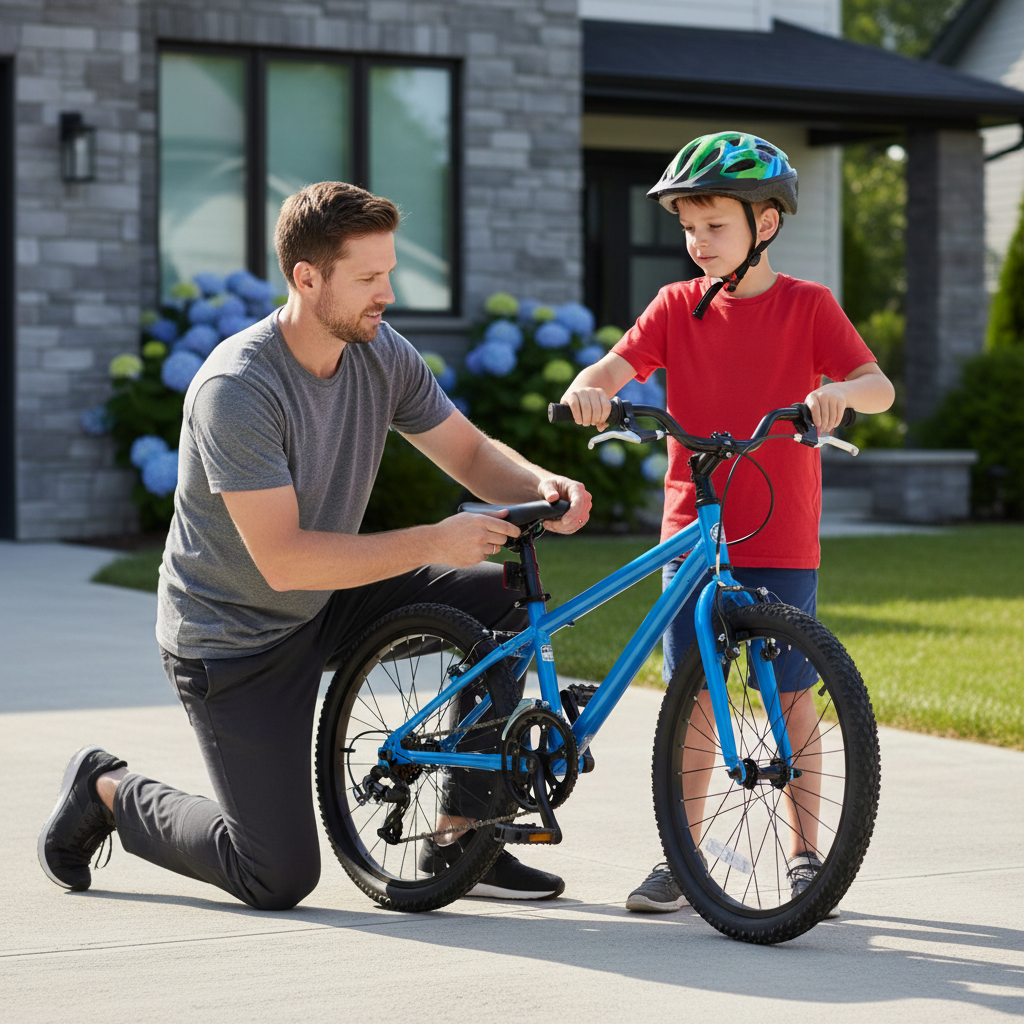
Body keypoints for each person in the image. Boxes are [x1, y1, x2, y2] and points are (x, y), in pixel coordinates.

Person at [38, 181, 592, 910]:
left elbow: (465, 452)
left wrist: (542, 484)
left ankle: (462, 834)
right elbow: (284, 560)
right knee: (275, 876)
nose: (387, 293)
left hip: (328, 600)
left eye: (389, 272)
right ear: (307, 278)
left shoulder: (378, 350)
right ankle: (105, 790)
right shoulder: (236, 388)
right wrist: (436, 539)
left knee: (506, 602)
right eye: (368, 277)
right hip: (234, 638)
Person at [559, 132, 895, 915]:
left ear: (765, 225)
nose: (696, 241)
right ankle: (682, 853)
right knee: (696, 697)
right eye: (688, 226)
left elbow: (875, 383)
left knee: (791, 692)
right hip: (694, 529)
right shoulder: (676, 305)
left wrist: (839, 396)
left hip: (778, 535)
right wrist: (591, 387)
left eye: (714, 225)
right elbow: (618, 366)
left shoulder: (808, 306)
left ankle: (808, 850)